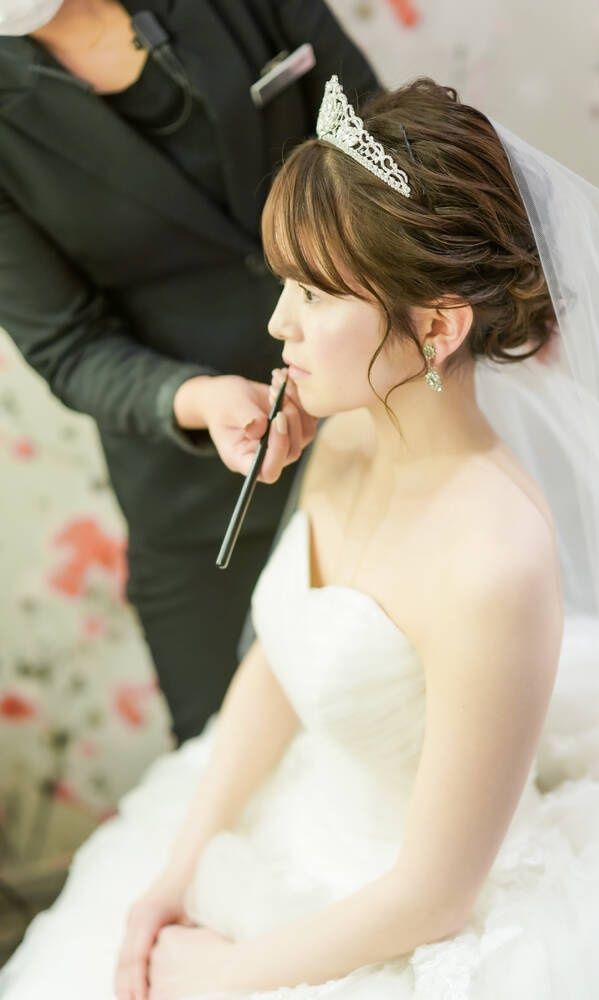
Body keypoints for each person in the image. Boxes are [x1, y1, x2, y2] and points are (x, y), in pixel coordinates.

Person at [3, 74, 599, 1000]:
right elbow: (284, 657)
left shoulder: (495, 558)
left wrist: (226, 975)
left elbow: (435, 895)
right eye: (287, 283)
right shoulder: (347, 432)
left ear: (435, 328)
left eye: (313, 293)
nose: (278, 322)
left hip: (410, 913)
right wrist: (176, 872)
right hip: (300, 822)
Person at [0, 0, 380, 744]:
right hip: (200, 503)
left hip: (381, 422)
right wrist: (197, 399)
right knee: (224, 757)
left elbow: (379, 144)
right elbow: (68, 345)